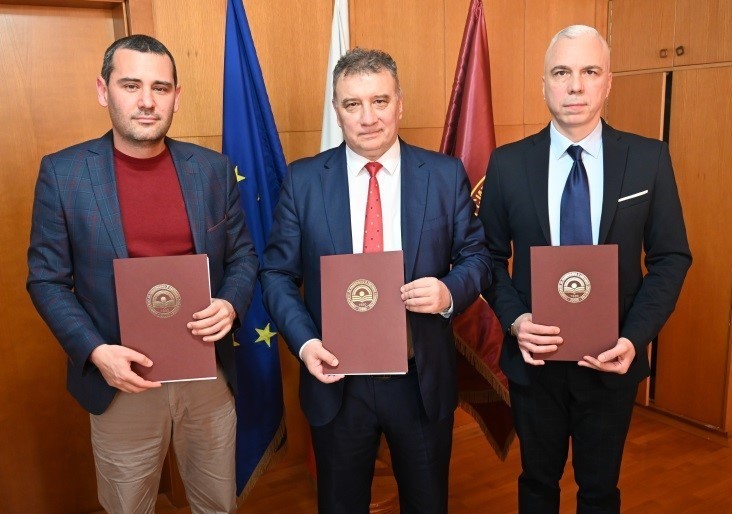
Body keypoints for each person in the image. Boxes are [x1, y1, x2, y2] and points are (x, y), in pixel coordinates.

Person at [26, 35, 258, 514]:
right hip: (120, 380)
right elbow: (47, 280)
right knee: (128, 506)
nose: (147, 101)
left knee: (218, 503)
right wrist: (96, 351)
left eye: (160, 87)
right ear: (103, 90)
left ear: (177, 96)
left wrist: (231, 303)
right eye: (131, 85)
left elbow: (243, 257)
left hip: (206, 372)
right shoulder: (64, 174)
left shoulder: (212, 170)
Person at [260, 48, 491, 514]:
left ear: (399, 104)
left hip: (419, 378)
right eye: (353, 104)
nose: (368, 118)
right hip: (336, 380)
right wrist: (305, 344)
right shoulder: (303, 181)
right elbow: (277, 273)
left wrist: (449, 292)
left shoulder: (444, 175)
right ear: (337, 110)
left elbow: (477, 256)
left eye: (380, 101)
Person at [479, 25, 691, 513]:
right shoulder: (507, 164)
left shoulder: (648, 159)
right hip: (536, 360)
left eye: (589, 71)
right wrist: (516, 321)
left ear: (608, 82)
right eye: (561, 72)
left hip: (612, 358)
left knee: (599, 491)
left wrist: (634, 338)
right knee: (537, 484)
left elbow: (670, 258)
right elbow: (487, 257)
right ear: (544, 84)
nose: (575, 86)